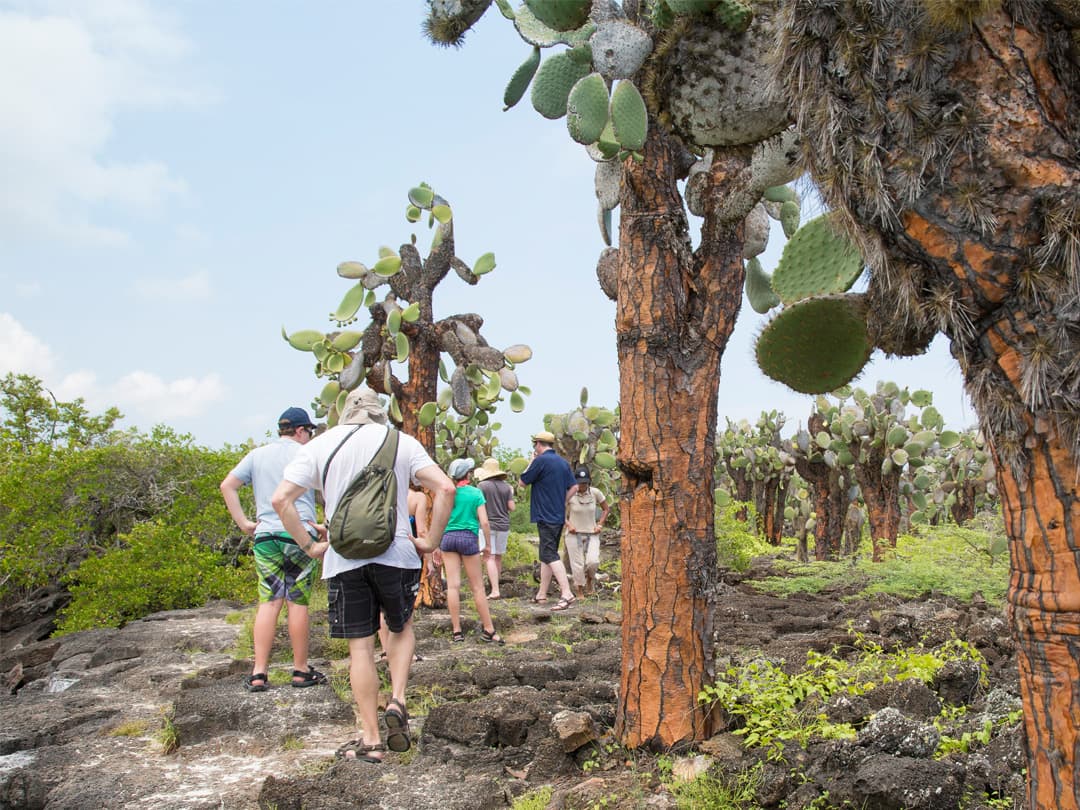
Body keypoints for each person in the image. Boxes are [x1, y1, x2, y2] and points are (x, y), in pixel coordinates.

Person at [271, 388, 455, 763]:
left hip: (343, 558)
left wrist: (309, 546)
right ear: (379, 413)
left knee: (360, 648)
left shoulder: (320, 445)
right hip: (398, 553)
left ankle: (370, 740)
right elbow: (445, 487)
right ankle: (399, 699)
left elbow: (280, 501)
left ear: (344, 413)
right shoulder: (401, 441)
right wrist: (430, 539)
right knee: (400, 628)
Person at [219, 406, 329, 693]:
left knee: (268, 602)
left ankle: (259, 673)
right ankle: (300, 669)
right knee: (297, 601)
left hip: (265, 534)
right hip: (297, 535)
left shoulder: (258, 454)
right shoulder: (306, 454)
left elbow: (227, 486)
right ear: (301, 430)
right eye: (309, 432)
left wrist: (244, 522)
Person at [440, 458, 504, 644]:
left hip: (448, 538)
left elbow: (439, 519)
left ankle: (457, 631)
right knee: (477, 587)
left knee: (453, 586)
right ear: (468, 474)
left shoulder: (446, 494)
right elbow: (484, 521)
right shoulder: (475, 493)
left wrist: (436, 544)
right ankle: (489, 629)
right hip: (468, 538)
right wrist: (488, 546)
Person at [519, 430, 578, 611]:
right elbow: (574, 486)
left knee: (550, 554)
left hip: (544, 514)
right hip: (557, 515)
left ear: (538, 444)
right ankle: (541, 593)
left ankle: (566, 593)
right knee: (546, 554)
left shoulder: (540, 461)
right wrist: (563, 501)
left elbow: (522, 482)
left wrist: (531, 460)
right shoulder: (563, 462)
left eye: (535, 444)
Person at [564, 466, 610, 598]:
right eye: (579, 482)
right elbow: (558, 511)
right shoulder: (569, 493)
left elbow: (606, 509)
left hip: (592, 533)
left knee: (592, 561)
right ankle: (579, 590)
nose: (582, 485)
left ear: (589, 482)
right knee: (577, 564)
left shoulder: (595, 493)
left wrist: (600, 524)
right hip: (574, 534)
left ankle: (590, 580)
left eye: (584, 482)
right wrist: (568, 524)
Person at [474, 457, 515, 600]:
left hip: (487, 524)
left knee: (488, 557)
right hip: (504, 525)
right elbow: (512, 507)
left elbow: (478, 506)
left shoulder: (482, 486)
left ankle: (495, 589)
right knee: (498, 557)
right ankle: (496, 586)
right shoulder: (506, 487)